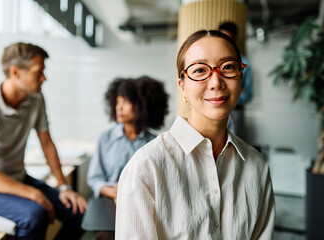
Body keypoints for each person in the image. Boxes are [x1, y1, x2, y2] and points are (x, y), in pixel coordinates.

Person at [115, 30, 275, 239]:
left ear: (240, 78)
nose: (216, 82)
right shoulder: (146, 168)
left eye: (228, 67)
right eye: (200, 70)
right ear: (183, 87)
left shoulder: (257, 167)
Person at [0, 42, 87, 239]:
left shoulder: (35, 99)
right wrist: (33, 194)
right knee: (34, 215)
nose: (44, 78)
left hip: (17, 178)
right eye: (38, 72)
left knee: (79, 212)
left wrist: (64, 187)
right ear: (15, 72)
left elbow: (46, 143)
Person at [87, 76, 169, 240]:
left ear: (141, 106)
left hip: (143, 203)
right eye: (117, 102)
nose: (119, 108)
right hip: (109, 205)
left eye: (125, 102)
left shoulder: (157, 142)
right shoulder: (106, 138)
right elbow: (94, 178)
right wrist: (111, 191)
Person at [219, 21, 253, 139]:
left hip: (234, 111)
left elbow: (248, 95)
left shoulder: (244, 63)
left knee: (233, 147)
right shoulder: (211, 60)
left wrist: (226, 96)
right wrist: (236, 91)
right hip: (214, 110)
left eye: (228, 38)